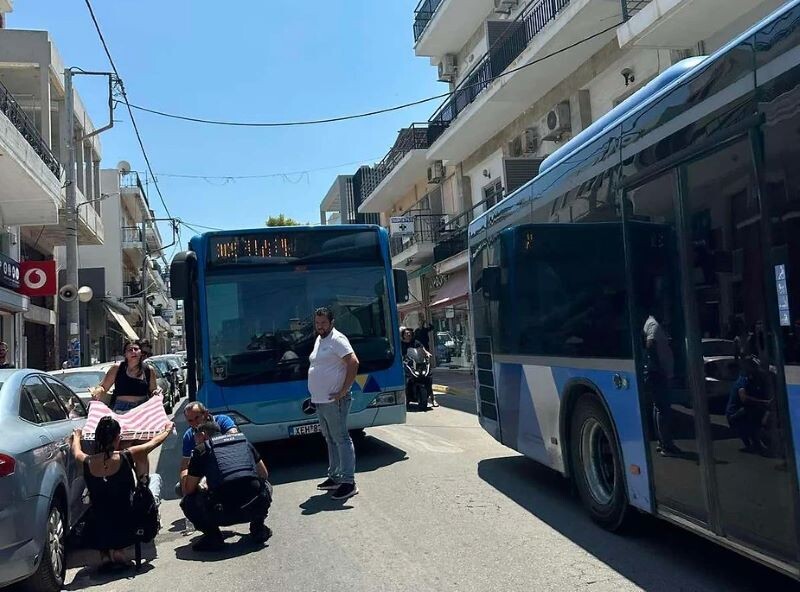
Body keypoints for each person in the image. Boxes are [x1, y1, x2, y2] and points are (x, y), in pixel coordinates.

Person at [71, 417, 173, 570]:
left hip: (100, 524)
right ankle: (119, 551)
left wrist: (77, 436)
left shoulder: (87, 461)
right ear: (117, 437)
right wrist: (167, 430)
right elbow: (153, 443)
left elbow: (76, 451)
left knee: (101, 509)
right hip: (127, 522)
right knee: (154, 480)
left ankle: (105, 555)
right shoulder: (126, 455)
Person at [180, 421, 272, 551]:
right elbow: (264, 474)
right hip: (254, 506)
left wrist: (194, 479)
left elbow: (188, 489)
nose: (195, 441)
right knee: (265, 485)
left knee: (188, 501)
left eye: (196, 437)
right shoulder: (243, 441)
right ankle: (258, 528)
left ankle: (213, 537)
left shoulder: (201, 449)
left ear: (202, 435)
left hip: (222, 512)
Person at [308, 306, 360, 500]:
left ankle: (348, 481)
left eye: (323, 323)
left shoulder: (337, 339)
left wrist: (344, 390)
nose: (320, 326)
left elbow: (353, 362)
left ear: (331, 323)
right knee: (330, 438)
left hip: (334, 400)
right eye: (317, 323)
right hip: (320, 400)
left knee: (341, 438)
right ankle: (335, 476)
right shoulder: (320, 340)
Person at [177, 402, 239, 496]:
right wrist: (185, 488)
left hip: (227, 465)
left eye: (197, 418)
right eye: (190, 421)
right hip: (203, 472)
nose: (195, 423)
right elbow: (185, 466)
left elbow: (234, 437)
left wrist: (204, 444)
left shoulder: (222, 420)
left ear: (205, 414)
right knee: (180, 488)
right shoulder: (189, 436)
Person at [643, 313, 681, 456]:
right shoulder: (653, 324)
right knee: (663, 409)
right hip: (659, 374)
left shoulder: (653, 324)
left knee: (658, 408)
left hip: (658, 374)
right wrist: (659, 367)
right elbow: (650, 344)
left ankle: (662, 442)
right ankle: (666, 445)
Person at [90, 341, 159, 413]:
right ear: (125, 354)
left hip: (143, 410)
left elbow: (153, 390)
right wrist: (98, 391)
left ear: (141, 352)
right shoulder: (117, 368)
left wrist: (156, 392)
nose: (133, 352)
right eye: (130, 350)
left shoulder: (149, 370)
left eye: (136, 349)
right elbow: (104, 387)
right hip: (121, 409)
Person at [727, 357, 771, 454]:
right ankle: (753, 442)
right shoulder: (743, 380)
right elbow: (744, 398)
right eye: (753, 367)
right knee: (750, 411)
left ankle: (755, 442)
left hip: (743, 412)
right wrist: (763, 402)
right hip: (735, 414)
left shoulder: (754, 380)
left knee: (755, 411)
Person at [401, 327, 437, 408]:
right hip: (407, 364)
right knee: (406, 380)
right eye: (407, 333)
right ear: (403, 335)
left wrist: (427, 353)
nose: (409, 334)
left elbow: (422, 348)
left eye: (410, 333)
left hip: (418, 364)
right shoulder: (401, 344)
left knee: (428, 379)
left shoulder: (416, 342)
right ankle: (406, 399)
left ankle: (433, 399)